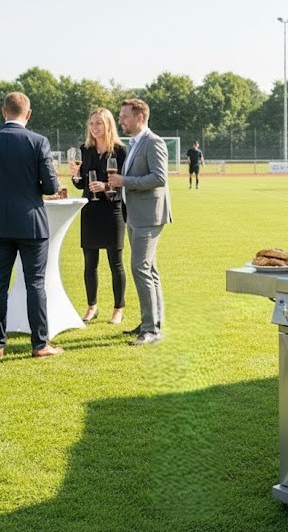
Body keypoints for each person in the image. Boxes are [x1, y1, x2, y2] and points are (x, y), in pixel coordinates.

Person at [0, 92, 63, 358]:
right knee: (35, 283)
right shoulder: (37, 141)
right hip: (31, 222)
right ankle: (40, 344)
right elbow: (51, 186)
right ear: (28, 114)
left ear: (3, 111)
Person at [108, 98, 172, 346]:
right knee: (150, 270)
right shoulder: (135, 143)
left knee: (140, 268)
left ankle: (151, 329)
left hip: (149, 216)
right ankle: (152, 321)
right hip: (135, 214)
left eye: (124, 116)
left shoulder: (153, 142)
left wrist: (125, 182)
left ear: (140, 117)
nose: (120, 120)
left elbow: (159, 178)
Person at [69, 107, 128, 326]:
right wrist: (75, 177)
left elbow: (126, 183)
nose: (94, 128)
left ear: (108, 125)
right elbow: (81, 184)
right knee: (89, 262)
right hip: (90, 210)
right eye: (92, 123)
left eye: (99, 123)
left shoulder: (121, 151)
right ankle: (92, 306)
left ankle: (118, 308)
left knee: (116, 262)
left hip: (112, 210)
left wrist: (105, 186)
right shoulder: (84, 150)